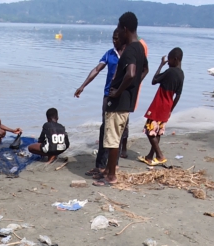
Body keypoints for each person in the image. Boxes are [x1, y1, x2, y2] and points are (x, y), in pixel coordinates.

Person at [95, 12, 148, 187]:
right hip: (127, 102)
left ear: (125, 29)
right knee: (115, 138)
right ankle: (110, 172)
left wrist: (118, 92)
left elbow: (132, 73)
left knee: (111, 139)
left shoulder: (132, 49)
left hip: (118, 103)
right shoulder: (140, 48)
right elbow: (144, 70)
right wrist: (133, 87)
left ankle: (111, 176)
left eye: (119, 28)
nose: (117, 32)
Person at [75, 29, 128, 177]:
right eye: (113, 38)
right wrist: (83, 86)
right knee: (105, 129)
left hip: (122, 97)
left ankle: (111, 166)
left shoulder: (128, 54)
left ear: (123, 39)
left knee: (117, 130)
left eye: (117, 39)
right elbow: (97, 69)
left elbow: (140, 72)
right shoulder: (109, 53)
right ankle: (102, 165)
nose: (114, 41)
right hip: (108, 96)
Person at [141, 47, 184, 166]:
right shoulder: (181, 74)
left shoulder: (170, 71)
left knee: (149, 130)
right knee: (157, 131)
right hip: (168, 105)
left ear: (175, 59)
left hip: (159, 104)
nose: (168, 62)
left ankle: (159, 155)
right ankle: (150, 157)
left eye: (169, 60)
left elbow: (154, 80)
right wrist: (171, 109)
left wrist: (161, 65)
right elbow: (178, 95)